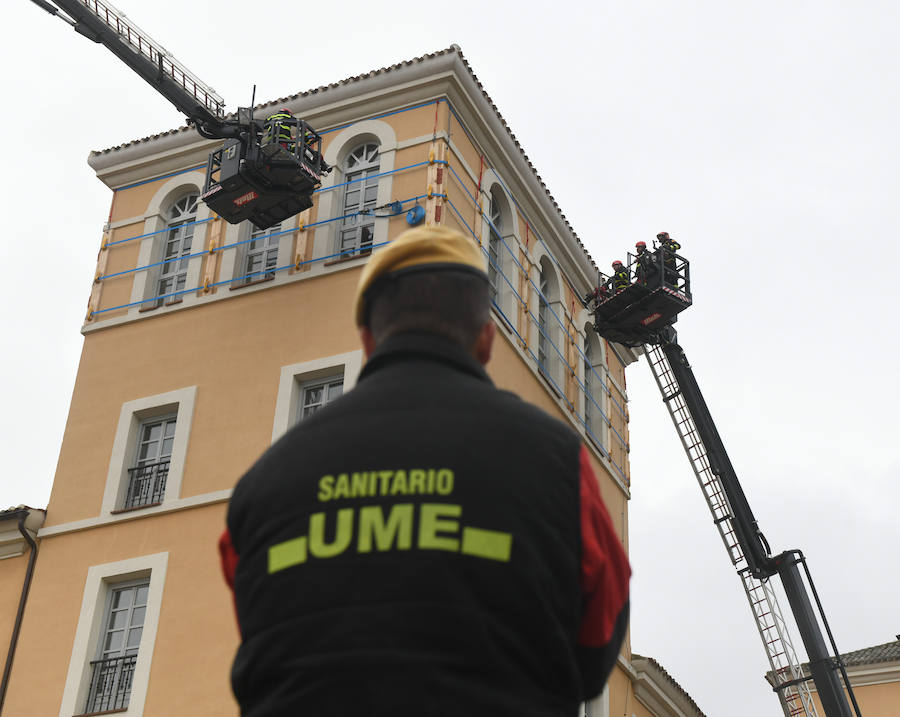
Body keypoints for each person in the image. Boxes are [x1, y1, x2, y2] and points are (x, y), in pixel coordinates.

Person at [219, 225, 631, 716]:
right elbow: (598, 638)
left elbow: (260, 627)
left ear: (368, 337)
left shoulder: (263, 483)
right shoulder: (557, 460)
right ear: (486, 338)